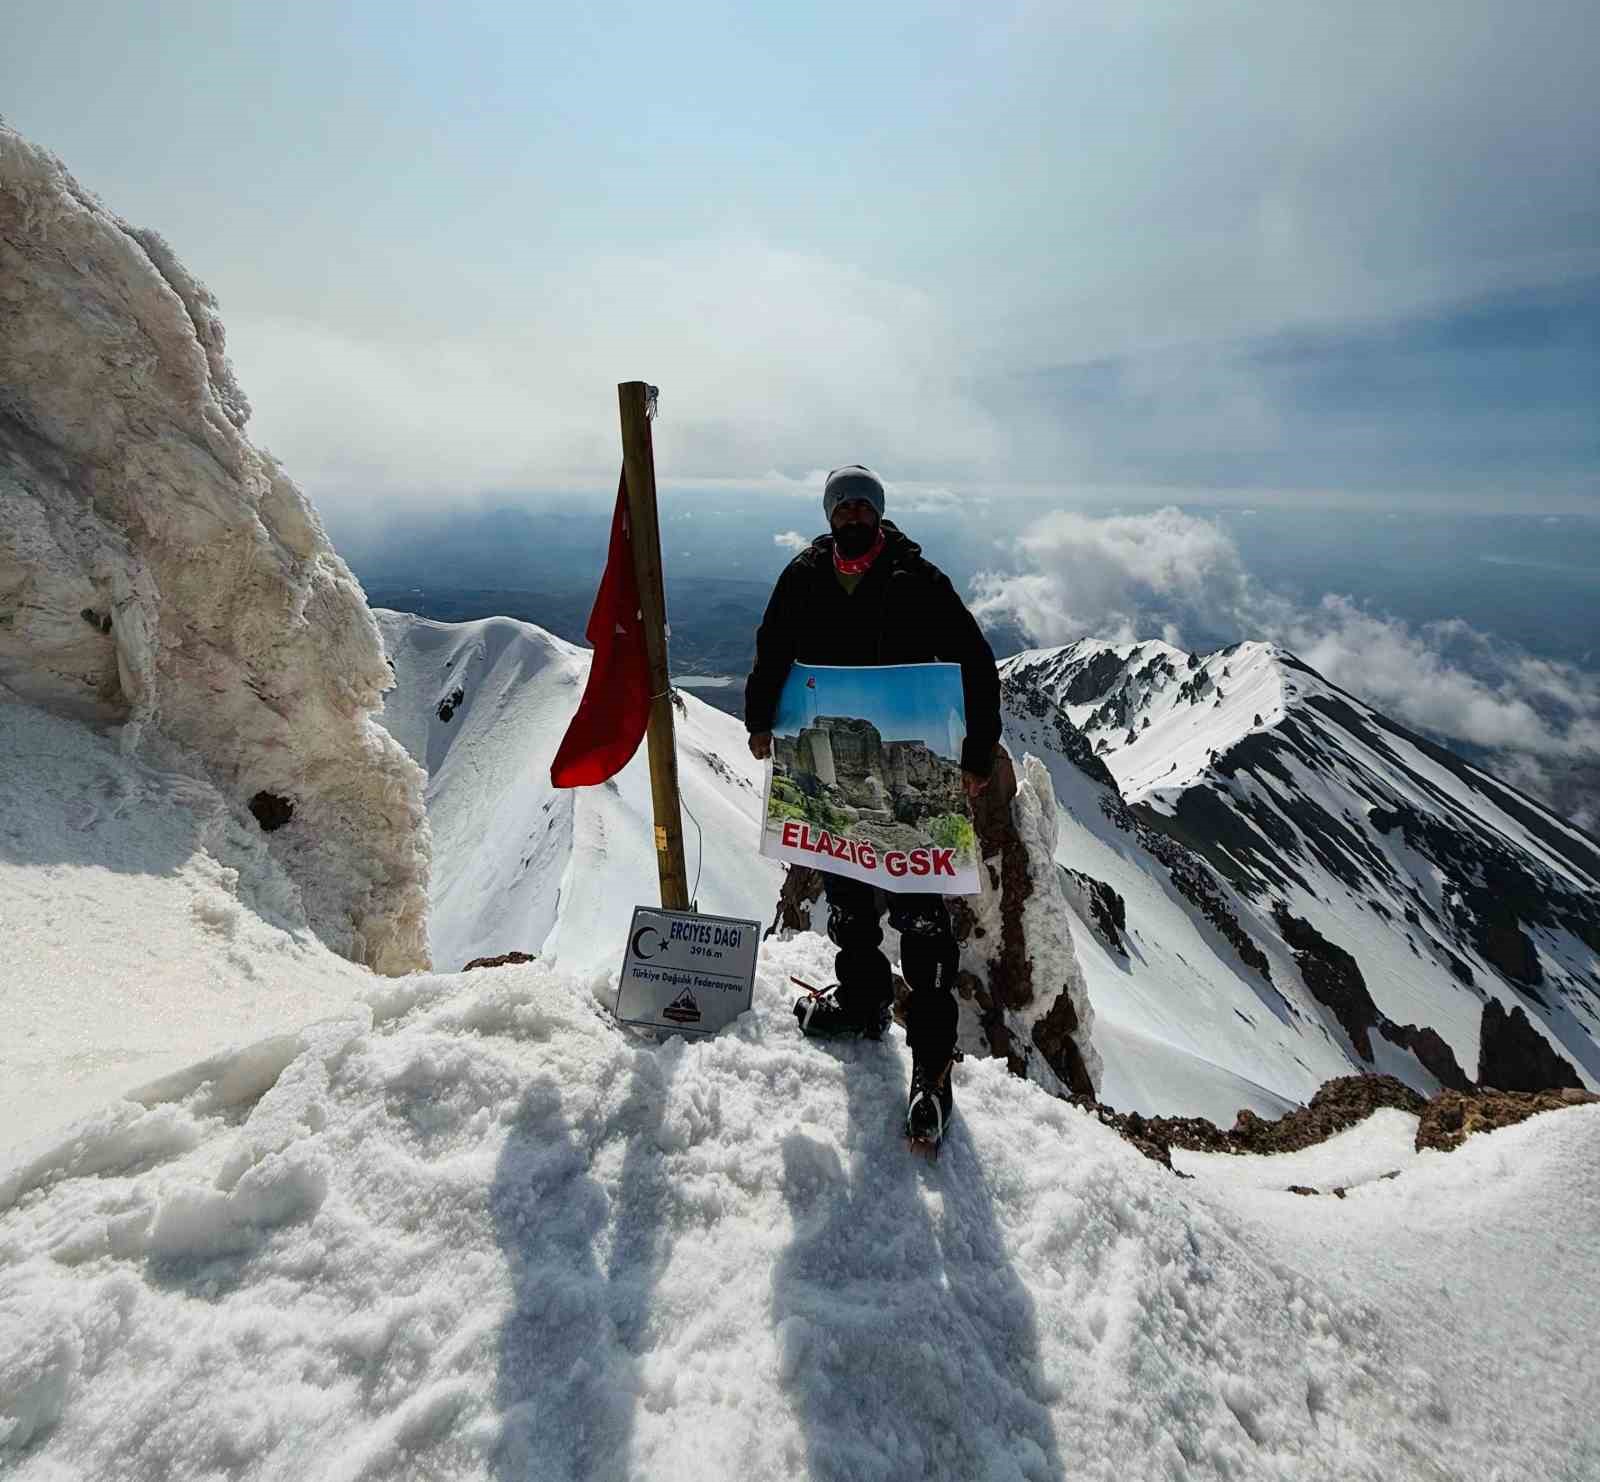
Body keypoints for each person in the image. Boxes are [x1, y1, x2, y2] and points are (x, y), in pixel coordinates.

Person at [745, 464, 1001, 1145]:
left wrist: (978, 750)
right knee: (851, 901)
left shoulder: (918, 580)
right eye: (842, 505)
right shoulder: (803, 576)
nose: (852, 514)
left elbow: (974, 659)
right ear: (829, 515)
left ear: (878, 513)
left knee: (922, 926)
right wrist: (759, 718)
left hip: (910, 785)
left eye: (863, 505)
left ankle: (931, 1069)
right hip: (836, 774)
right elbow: (773, 648)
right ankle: (862, 1003)